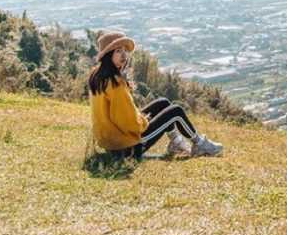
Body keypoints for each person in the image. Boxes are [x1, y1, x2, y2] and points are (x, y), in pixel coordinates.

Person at [87, 31, 223, 160]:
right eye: (118, 51)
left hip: (112, 144)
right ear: (108, 55)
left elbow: (121, 115)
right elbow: (129, 123)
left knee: (163, 103)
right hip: (127, 147)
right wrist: (144, 121)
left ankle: (176, 143)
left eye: (124, 50)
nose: (124, 55)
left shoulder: (98, 75)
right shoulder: (116, 84)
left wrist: (140, 118)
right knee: (176, 111)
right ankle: (200, 144)